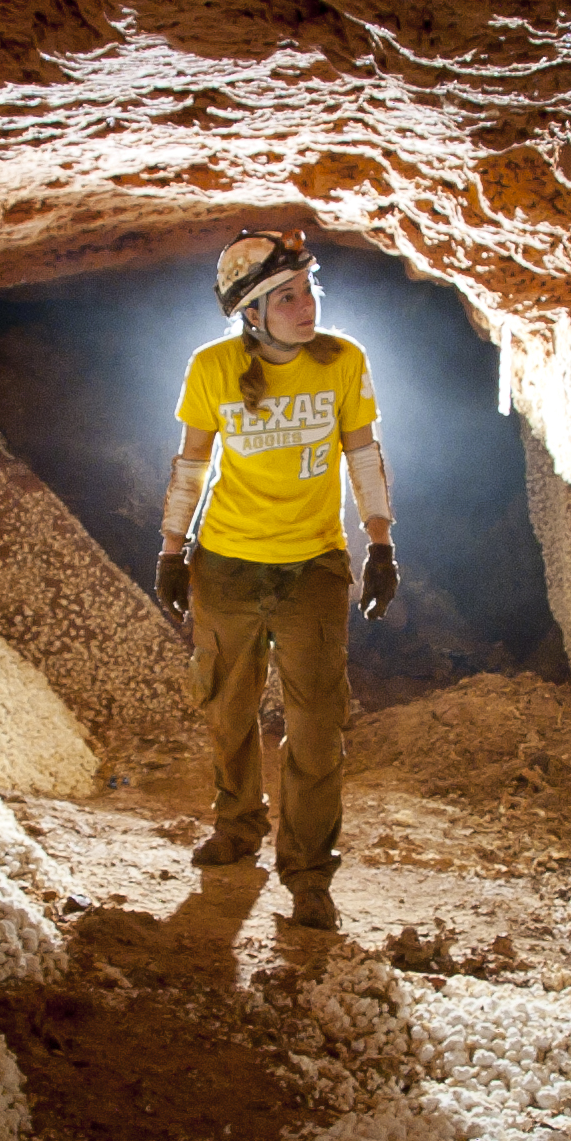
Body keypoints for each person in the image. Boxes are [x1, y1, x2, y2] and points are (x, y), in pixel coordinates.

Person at [154, 228, 398, 932]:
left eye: (308, 291)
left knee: (317, 727)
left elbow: (364, 455)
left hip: (313, 568)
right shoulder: (212, 368)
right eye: (286, 296)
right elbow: (191, 466)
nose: (306, 305)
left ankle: (308, 872)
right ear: (252, 313)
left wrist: (379, 544)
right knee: (228, 709)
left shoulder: (343, 362)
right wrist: (172, 551)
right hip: (226, 565)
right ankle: (237, 828)